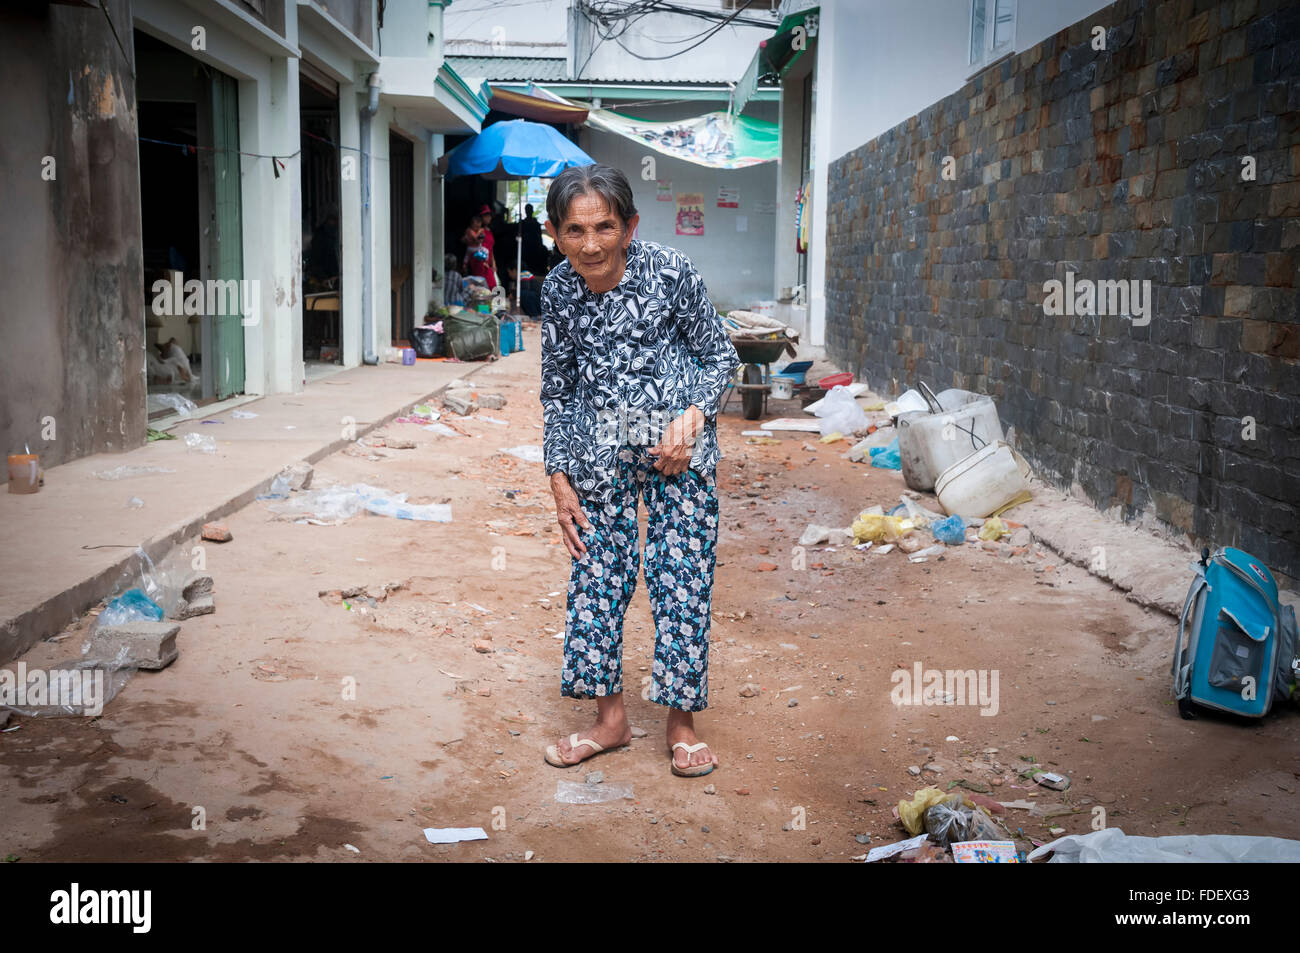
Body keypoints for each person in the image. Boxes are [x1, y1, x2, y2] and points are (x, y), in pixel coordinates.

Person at [539, 163, 740, 779]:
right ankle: (611, 722)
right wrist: (558, 475)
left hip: (677, 453)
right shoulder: (557, 290)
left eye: (604, 226)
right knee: (596, 578)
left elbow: (719, 355)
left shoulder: (670, 272)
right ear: (554, 232)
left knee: (682, 577)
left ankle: (680, 725)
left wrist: (695, 418)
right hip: (598, 455)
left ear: (628, 225)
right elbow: (559, 388)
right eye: (575, 230)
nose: (591, 244)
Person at [461, 215, 497, 286]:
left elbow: (490, 249)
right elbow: (474, 238)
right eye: (475, 227)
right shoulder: (470, 230)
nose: (477, 228)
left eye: (478, 227)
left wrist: (493, 263)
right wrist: (479, 232)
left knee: (486, 251)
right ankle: (464, 265)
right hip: (474, 253)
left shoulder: (486, 231)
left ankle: (484, 262)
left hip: (480, 254)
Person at [519, 203, 548, 276]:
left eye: (530, 210)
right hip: (525, 249)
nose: (529, 212)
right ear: (526, 211)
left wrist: (540, 246)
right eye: (527, 210)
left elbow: (539, 238)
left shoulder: (536, 224)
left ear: (532, 211)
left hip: (535, 249)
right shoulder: (522, 224)